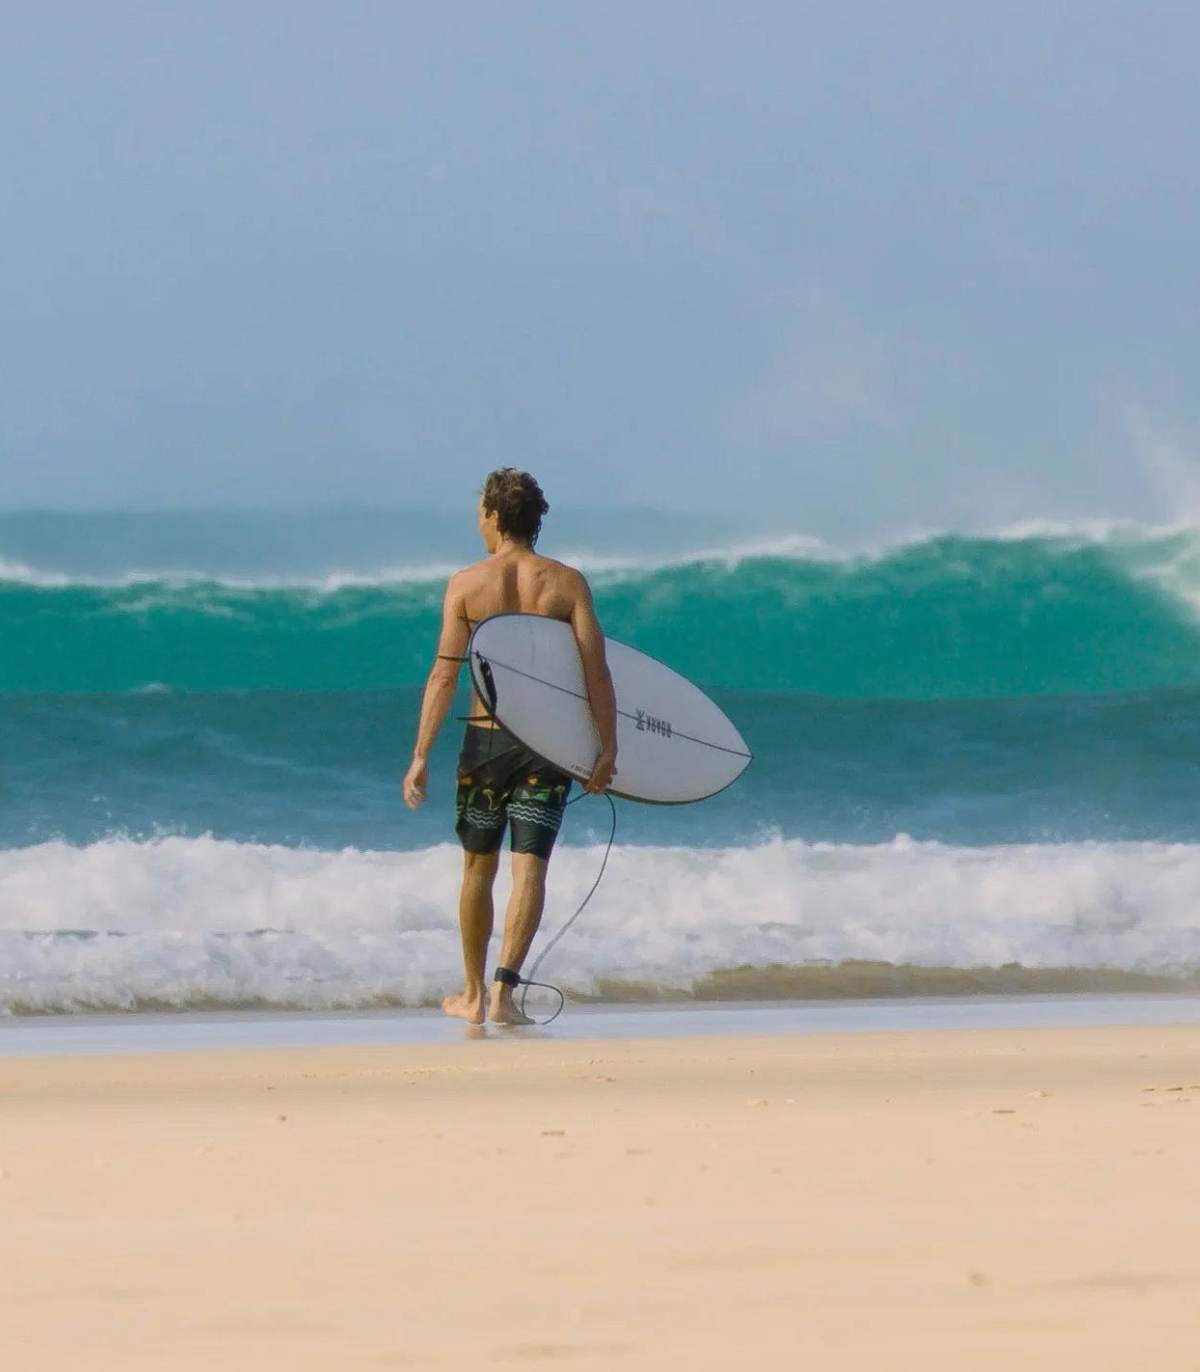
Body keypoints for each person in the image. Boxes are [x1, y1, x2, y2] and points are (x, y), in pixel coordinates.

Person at [402, 469, 618, 1024]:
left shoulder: (466, 585)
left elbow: (444, 676)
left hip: (486, 743)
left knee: (478, 869)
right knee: (531, 870)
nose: (479, 522)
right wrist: (607, 748)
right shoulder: (567, 584)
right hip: (546, 747)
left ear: (495, 517)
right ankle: (503, 994)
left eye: (481, 513)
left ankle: (472, 998)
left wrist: (421, 755)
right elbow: (597, 673)